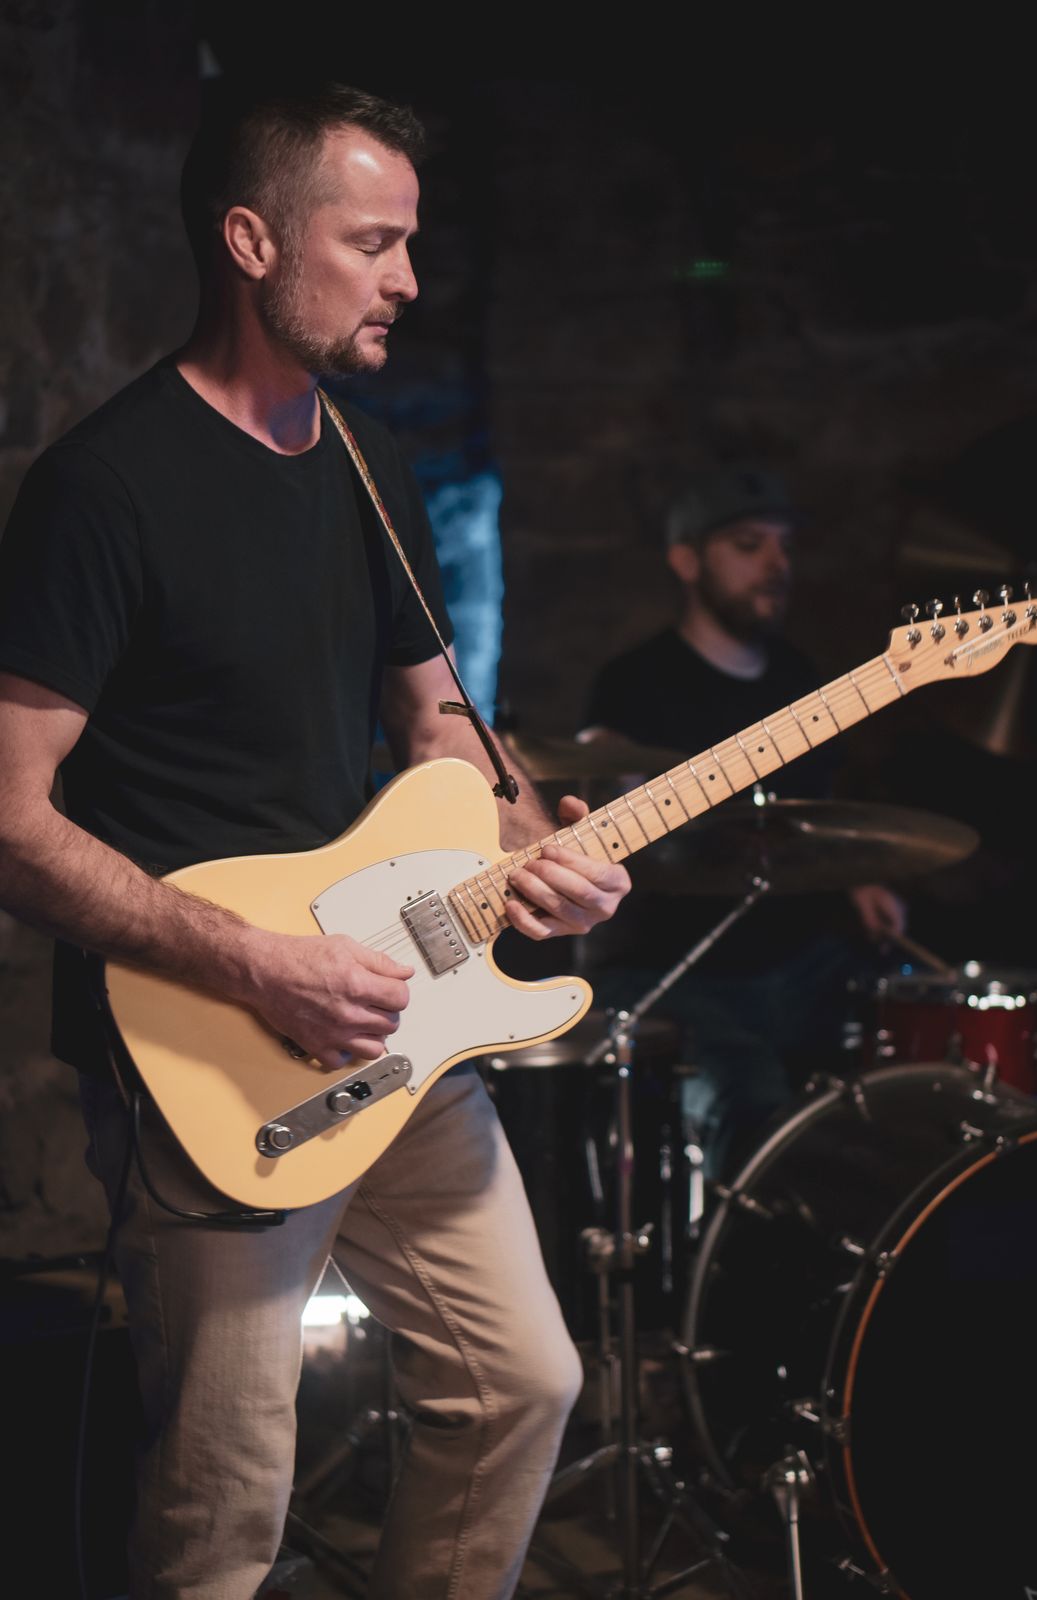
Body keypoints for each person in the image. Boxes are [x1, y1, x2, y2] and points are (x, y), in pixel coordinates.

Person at [0, 82, 630, 1600]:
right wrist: (254, 963)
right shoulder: (103, 488)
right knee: (227, 1512)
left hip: (405, 1018)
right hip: (212, 1052)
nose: (407, 278)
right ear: (250, 241)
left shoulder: (368, 462)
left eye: (407, 243)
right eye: (372, 243)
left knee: (521, 1384)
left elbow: (442, 730)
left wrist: (532, 842)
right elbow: (9, 810)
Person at [579, 462, 906, 1182]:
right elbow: (609, 815)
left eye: (784, 545)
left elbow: (812, 823)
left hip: (795, 959)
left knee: (900, 1073)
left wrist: (859, 879)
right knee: (748, 1097)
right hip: (676, 965)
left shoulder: (802, 680)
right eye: (748, 545)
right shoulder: (633, 685)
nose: (776, 565)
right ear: (686, 560)